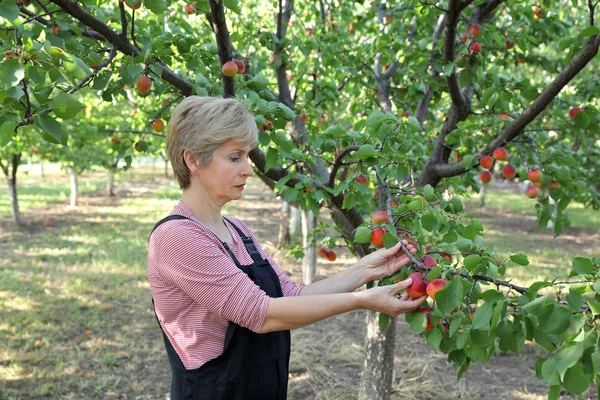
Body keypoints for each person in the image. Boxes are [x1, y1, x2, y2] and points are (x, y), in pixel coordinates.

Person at [147, 96, 428, 400]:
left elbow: (292, 296)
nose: (249, 170)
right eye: (234, 157)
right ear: (193, 160)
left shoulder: (237, 229)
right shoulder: (177, 237)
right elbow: (262, 314)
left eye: (247, 156)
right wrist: (362, 301)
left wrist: (366, 270)